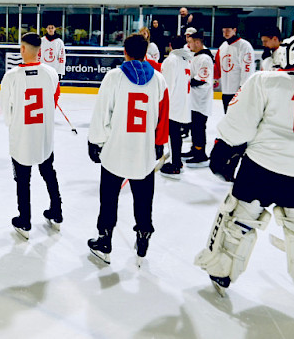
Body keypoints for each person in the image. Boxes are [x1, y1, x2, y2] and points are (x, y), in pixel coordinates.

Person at [195, 36, 294, 299]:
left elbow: (241, 121)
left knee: (238, 220)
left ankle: (222, 270)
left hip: (261, 167)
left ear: (282, 55)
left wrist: (223, 147)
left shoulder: (262, 80)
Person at [87, 34, 169, 264]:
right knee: (143, 199)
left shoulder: (114, 77)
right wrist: (159, 143)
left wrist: (95, 141)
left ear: (125, 51)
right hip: (143, 151)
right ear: (146, 52)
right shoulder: (159, 79)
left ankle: (105, 239)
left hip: (116, 149)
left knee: (109, 197)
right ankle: (143, 236)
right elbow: (163, 116)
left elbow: (102, 111)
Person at [0, 32, 62, 239]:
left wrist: (15, 124)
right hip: (44, 135)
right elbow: (54, 99)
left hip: (22, 138)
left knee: (23, 180)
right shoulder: (51, 73)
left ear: (23, 49)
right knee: (49, 173)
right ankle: (57, 211)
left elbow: (6, 112)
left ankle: (25, 220)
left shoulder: (11, 76)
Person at [159, 36, 191, 179]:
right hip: (182, 102)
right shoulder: (185, 59)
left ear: (171, 45)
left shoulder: (171, 60)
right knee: (176, 134)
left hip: (172, 104)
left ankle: (175, 164)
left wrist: (162, 104)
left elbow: (167, 86)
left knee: (173, 135)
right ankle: (177, 161)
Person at [182, 30, 214, 167]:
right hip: (194, 100)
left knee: (199, 127)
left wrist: (184, 82)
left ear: (197, 42)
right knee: (194, 127)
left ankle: (200, 153)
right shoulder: (197, 56)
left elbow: (201, 79)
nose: (188, 45)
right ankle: (195, 149)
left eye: (190, 42)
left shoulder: (204, 58)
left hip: (201, 100)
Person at [214, 16, 255, 112]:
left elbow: (247, 69)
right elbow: (219, 67)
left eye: (228, 30)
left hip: (238, 92)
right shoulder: (223, 46)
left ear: (234, 30)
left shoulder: (244, 46)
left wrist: (243, 88)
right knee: (228, 117)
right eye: (224, 31)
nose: (226, 33)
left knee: (239, 117)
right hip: (225, 91)